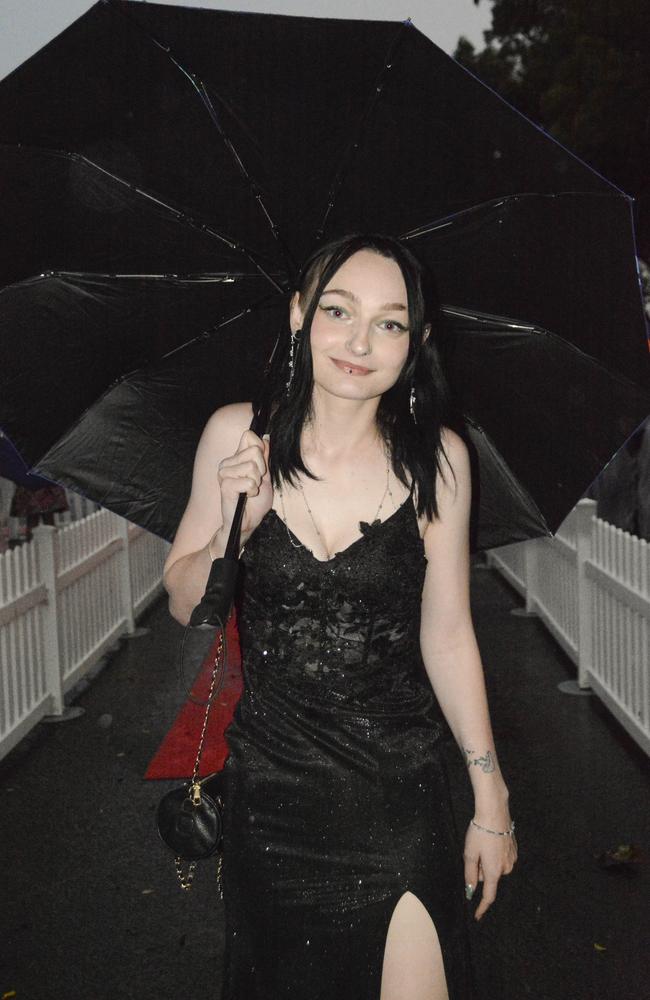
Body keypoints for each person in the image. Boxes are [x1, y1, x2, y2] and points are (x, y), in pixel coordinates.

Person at [163, 233, 517, 1000]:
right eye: (337, 311)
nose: (360, 342)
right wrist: (241, 520)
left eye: (389, 323)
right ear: (298, 316)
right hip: (272, 798)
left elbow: (448, 633)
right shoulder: (237, 437)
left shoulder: (441, 461)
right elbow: (186, 600)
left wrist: (491, 798)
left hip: (399, 798)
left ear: (416, 342)